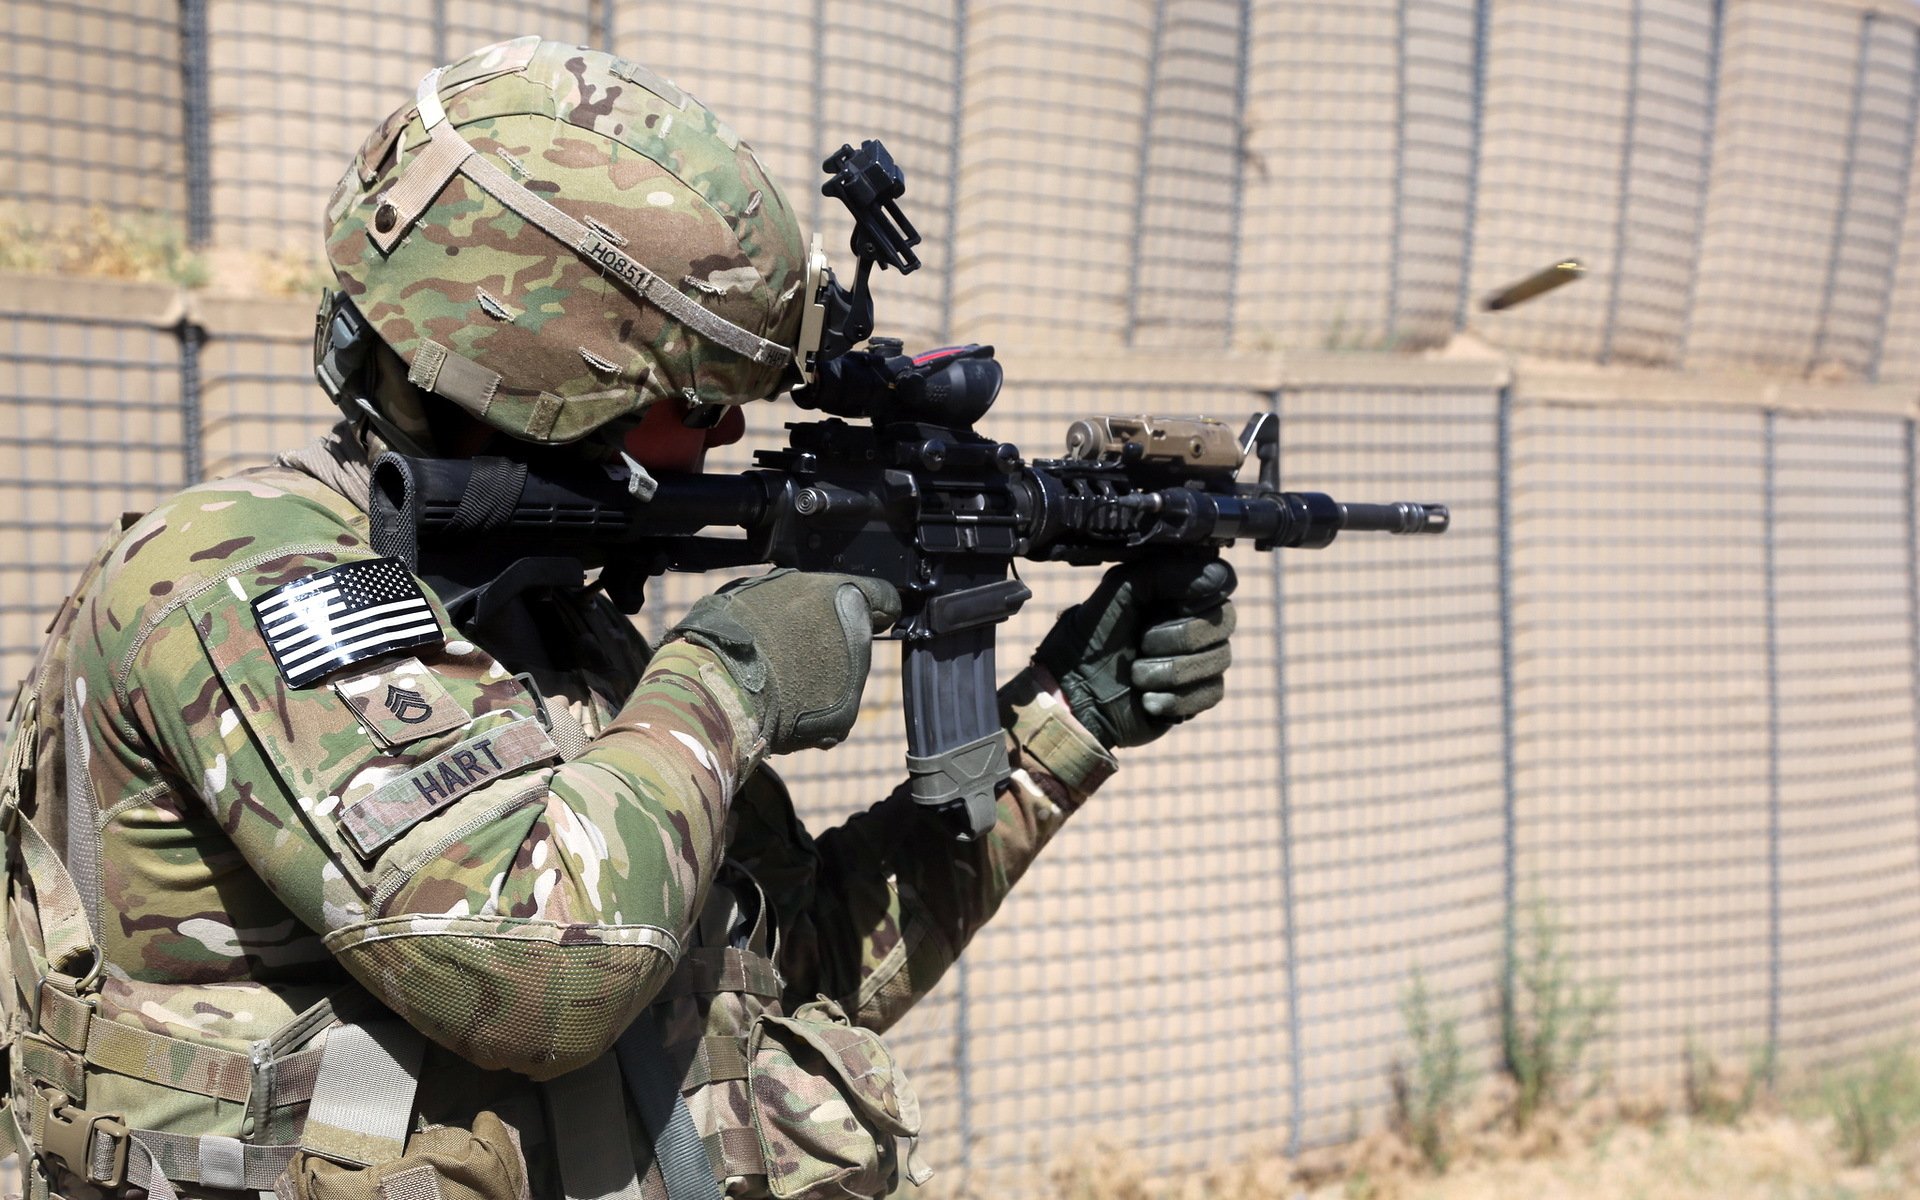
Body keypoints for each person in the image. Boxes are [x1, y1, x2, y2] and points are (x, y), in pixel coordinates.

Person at [0, 38, 1235, 1200]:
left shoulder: (559, 631)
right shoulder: (244, 578)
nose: (730, 436)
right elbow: (538, 978)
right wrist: (731, 677)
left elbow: (779, 970)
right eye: (695, 400)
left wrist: (1065, 723)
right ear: (549, 377)